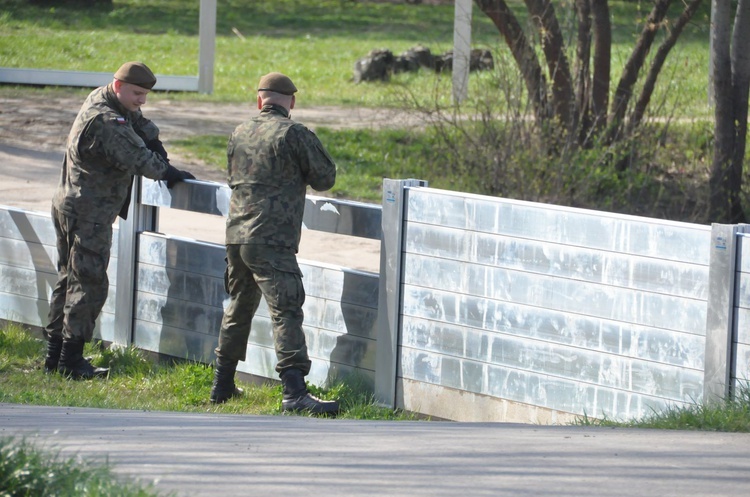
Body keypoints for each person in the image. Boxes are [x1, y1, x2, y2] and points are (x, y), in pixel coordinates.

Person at [43, 61, 195, 379]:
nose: (142, 100)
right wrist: (168, 170)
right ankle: (70, 361)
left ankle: (54, 358)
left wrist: (154, 141)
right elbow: (140, 160)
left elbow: (137, 123)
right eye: (137, 93)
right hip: (89, 214)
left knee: (68, 281)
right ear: (118, 85)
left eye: (146, 95)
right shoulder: (107, 120)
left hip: (71, 205)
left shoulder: (102, 98)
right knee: (89, 285)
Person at [210, 72, 339, 415]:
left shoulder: (238, 132)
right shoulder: (294, 134)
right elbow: (326, 177)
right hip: (272, 238)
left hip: (236, 235)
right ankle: (294, 392)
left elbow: (231, 177)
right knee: (286, 309)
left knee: (238, 306)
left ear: (259, 101)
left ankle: (221, 385)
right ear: (291, 102)